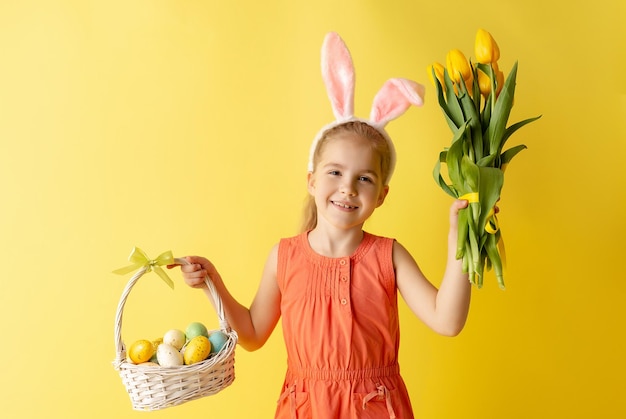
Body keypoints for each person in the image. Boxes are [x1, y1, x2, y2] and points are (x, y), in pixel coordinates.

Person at [172, 33, 472, 419]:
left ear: (381, 195)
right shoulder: (284, 256)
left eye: (365, 178)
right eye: (335, 172)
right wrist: (212, 282)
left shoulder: (388, 256)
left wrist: (460, 239)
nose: (347, 187)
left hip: (375, 409)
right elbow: (250, 333)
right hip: (306, 409)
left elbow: (447, 321)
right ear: (312, 180)